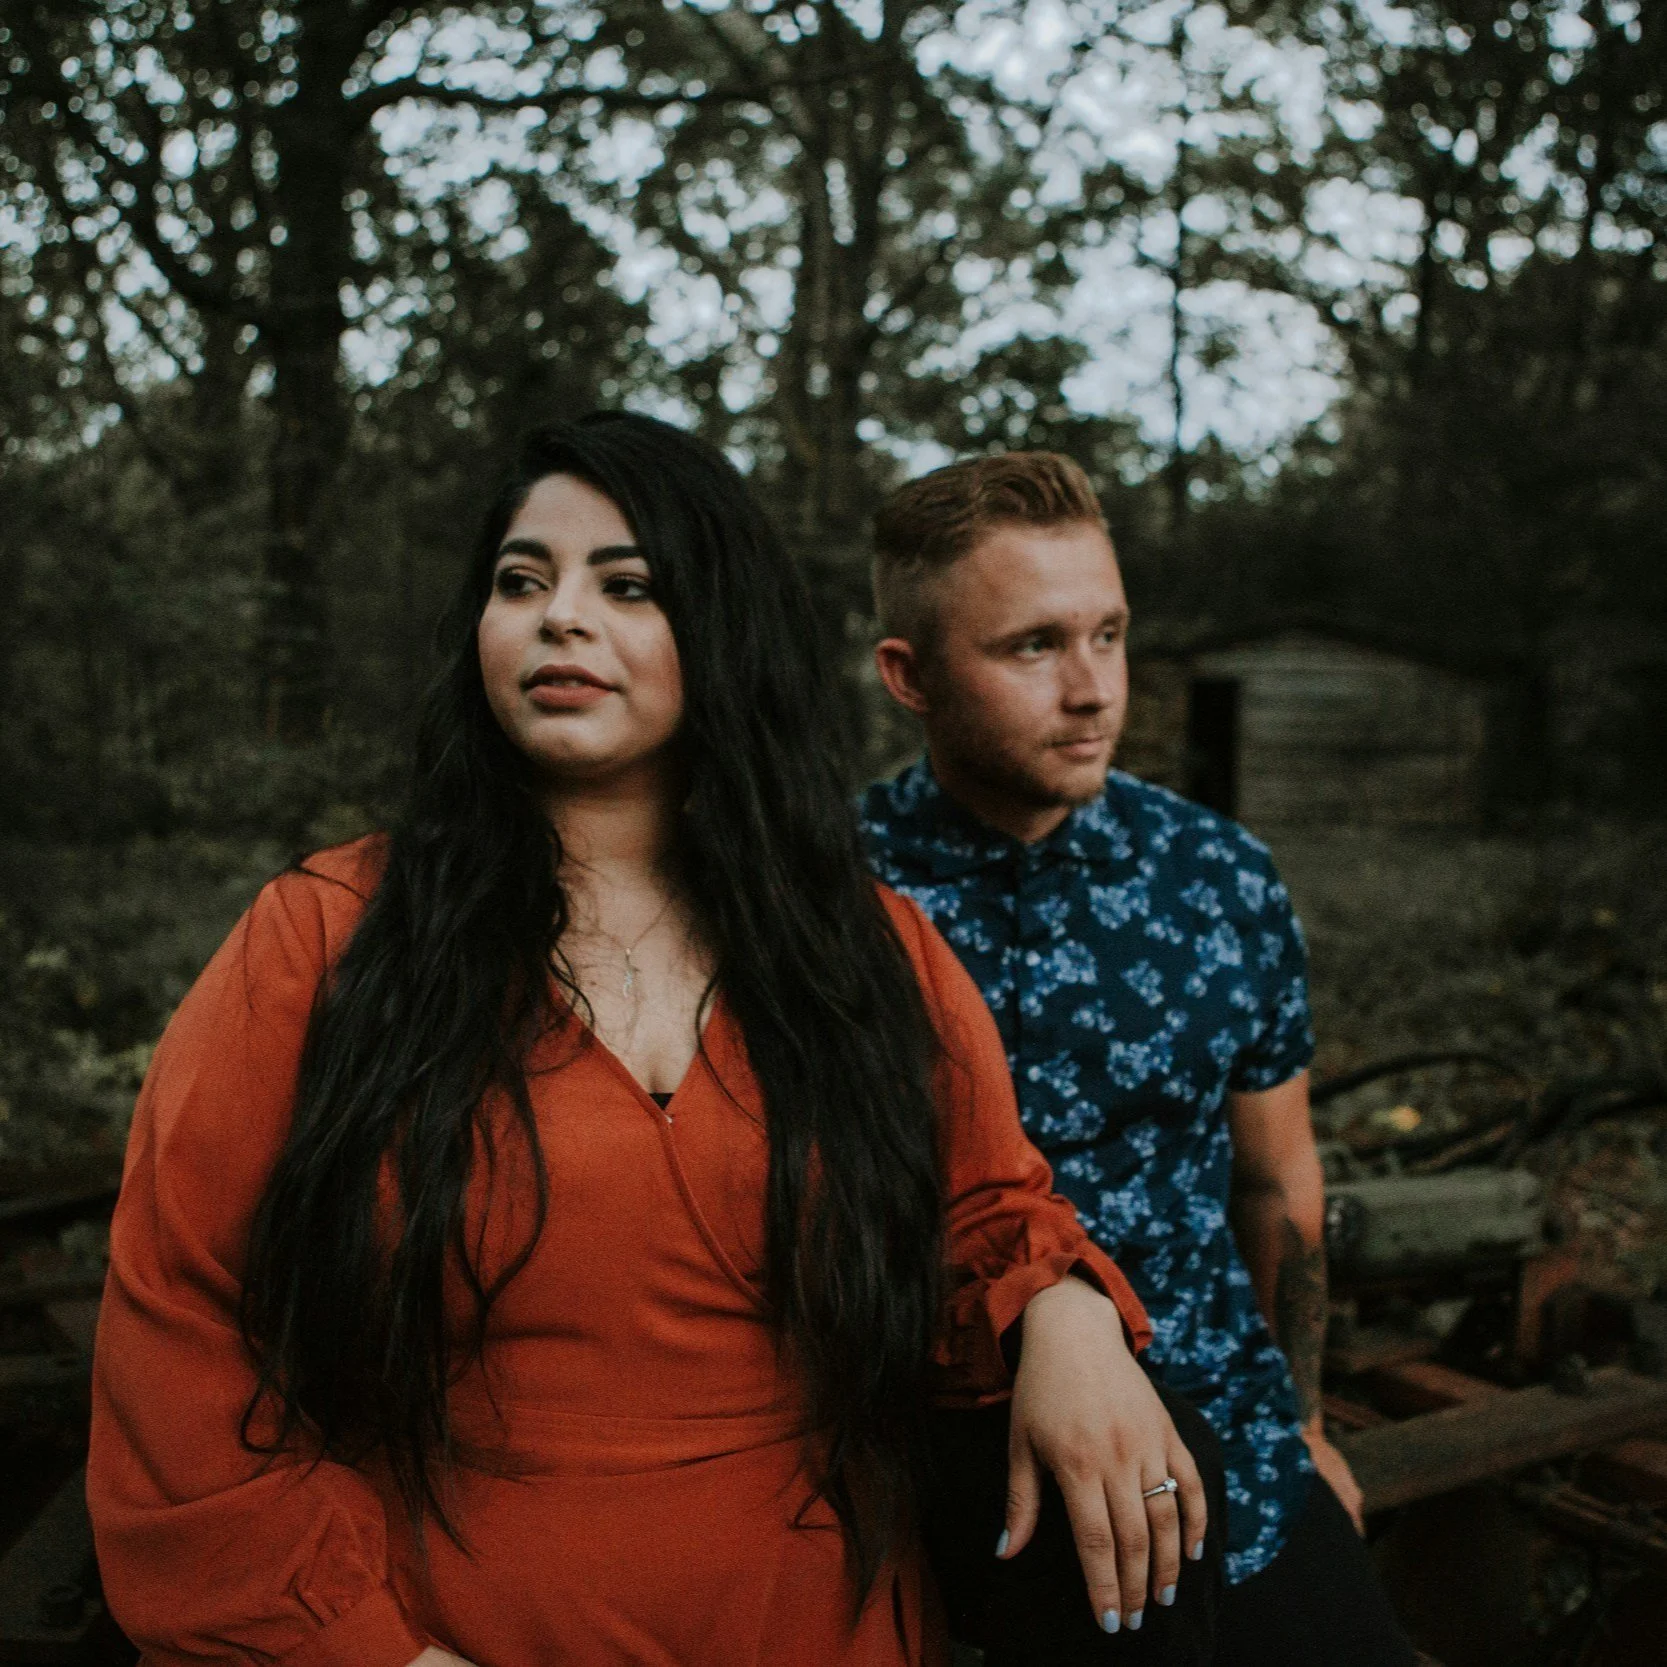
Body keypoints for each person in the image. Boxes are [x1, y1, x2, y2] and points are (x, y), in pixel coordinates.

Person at [87, 414, 1221, 1667]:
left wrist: (1059, 1312)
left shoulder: (856, 947)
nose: (559, 616)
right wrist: (369, 1654)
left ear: (721, 631)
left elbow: (984, 1208)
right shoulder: (325, 939)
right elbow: (179, 1329)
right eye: (523, 581)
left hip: (818, 1624)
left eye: (625, 584)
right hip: (445, 1633)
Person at [859, 452, 1418, 1667]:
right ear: (908, 675)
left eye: (1107, 633)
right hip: (940, 1457)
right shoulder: (825, 894)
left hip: (1227, 1424)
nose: (1090, 688)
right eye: (1031, 646)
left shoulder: (1218, 879)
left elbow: (1274, 1176)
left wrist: (1304, 1419)